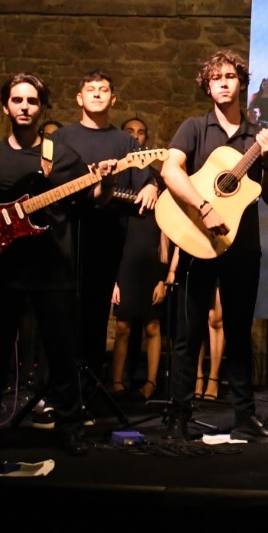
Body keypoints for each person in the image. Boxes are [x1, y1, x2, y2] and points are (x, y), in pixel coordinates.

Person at [0, 74, 109, 456]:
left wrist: (103, 182)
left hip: (53, 268)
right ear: (5, 107)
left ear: (42, 108)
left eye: (32, 101)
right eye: (17, 100)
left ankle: (70, 428)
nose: (25, 107)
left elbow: (93, 201)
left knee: (61, 352)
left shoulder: (63, 156)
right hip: (4, 269)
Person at [159, 50, 268, 443]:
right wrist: (204, 207)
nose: (224, 83)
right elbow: (169, 169)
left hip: (242, 246)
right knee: (189, 334)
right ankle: (178, 417)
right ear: (207, 86)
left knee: (239, 333)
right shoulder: (195, 128)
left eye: (230, 76)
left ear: (242, 83)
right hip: (196, 238)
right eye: (216, 78)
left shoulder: (257, 135)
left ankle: (245, 417)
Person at [54, 71, 159, 397]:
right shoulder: (61, 139)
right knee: (60, 313)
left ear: (113, 99)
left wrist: (151, 186)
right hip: (64, 237)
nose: (97, 94)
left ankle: (88, 389)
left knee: (96, 316)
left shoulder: (125, 143)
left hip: (108, 239)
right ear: (79, 97)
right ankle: (56, 388)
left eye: (103, 90)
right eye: (91, 89)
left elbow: (146, 178)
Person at [111, 117, 165, 399]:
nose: (135, 136)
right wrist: (113, 280)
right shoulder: (114, 179)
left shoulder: (158, 181)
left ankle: (150, 384)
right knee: (122, 326)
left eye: (140, 132)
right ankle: (117, 383)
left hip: (151, 263)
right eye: (129, 131)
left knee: (152, 326)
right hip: (124, 264)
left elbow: (167, 232)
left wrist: (164, 277)